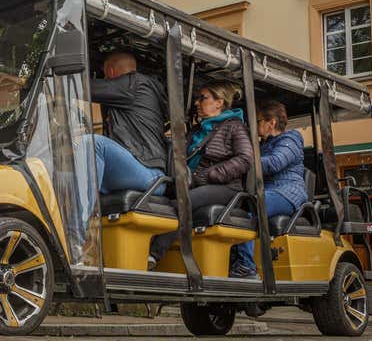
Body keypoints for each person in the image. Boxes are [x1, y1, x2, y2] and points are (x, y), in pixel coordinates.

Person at [148, 81, 253, 268]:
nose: (197, 103)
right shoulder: (197, 130)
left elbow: (245, 159)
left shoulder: (235, 126)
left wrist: (211, 175)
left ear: (219, 102)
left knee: (182, 202)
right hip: (195, 184)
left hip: (226, 188)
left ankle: (153, 255)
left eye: (202, 98)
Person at [230, 100, 308, 279]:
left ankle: (246, 266)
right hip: (268, 192)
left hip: (287, 192)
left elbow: (275, 163)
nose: (255, 126)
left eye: (258, 121)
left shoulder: (291, 139)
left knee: (250, 206)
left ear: (271, 122)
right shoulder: (262, 145)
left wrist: (243, 160)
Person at [89, 51, 168, 196]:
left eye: (105, 77)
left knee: (92, 143)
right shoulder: (136, 91)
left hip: (149, 175)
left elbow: (85, 88)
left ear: (110, 72)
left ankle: (80, 218)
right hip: (139, 172)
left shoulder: (135, 84)